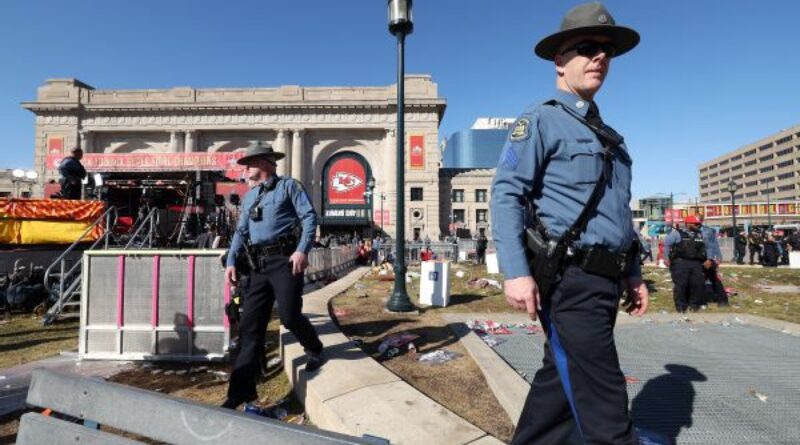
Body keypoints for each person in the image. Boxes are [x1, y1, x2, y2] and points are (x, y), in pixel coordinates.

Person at [489, 3, 646, 444]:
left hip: (605, 281)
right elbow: (506, 194)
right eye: (587, 48)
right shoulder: (540, 121)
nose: (600, 57)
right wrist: (516, 272)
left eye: (606, 51)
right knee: (605, 403)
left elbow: (619, 213)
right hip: (571, 279)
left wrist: (633, 274)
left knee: (558, 387)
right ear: (560, 60)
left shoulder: (611, 136)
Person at [221, 141, 323, 410]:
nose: (246, 169)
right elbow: (241, 232)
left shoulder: (289, 186)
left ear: (266, 164)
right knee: (249, 329)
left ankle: (314, 347)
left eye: (251, 163)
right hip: (257, 266)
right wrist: (231, 260)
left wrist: (302, 250)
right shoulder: (250, 196)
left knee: (289, 316)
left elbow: (310, 218)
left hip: (285, 260)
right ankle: (239, 394)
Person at [664, 215, 707, 312]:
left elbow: (705, 248)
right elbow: (667, 244)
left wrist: (708, 259)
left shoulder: (700, 234)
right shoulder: (677, 233)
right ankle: (681, 306)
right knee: (681, 285)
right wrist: (666, 258)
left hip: (696, 262)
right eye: (696, 224)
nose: (698, 226)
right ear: (688, 224)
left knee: (697, 284)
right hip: (680, 262)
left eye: (698, 224)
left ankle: (694, 304)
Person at [696, 216, 728, 307]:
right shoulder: (689, 231)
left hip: (708, 259)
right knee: (698, 280)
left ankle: (723, 301)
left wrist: (717, 257)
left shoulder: (708, 231)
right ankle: (701, 300)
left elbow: (714, 244)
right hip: (697, 259)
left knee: (714, 279)